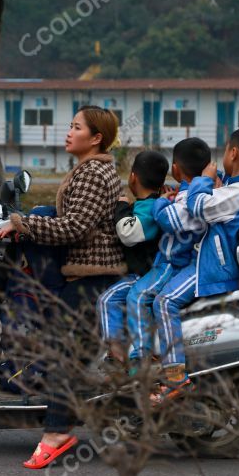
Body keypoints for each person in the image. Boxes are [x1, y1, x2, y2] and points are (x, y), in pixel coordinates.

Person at [0, 105, 125, 469]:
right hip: (82, 273)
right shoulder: (91, 169)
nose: (68, 132)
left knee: (61, 350)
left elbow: (75, 228)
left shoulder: (93, 174)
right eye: (70, 125)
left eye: (76, 127)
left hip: (92, 276)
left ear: (95, 137)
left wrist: (24, 224)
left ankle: (56, 433)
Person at [150, 127, 239, 404]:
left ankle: (175, 376)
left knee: (164, 302)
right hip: (209, 262)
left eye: (226, 149)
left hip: (213, 268)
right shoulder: (233, 185)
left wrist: (202, 180)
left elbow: (199, 206)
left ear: (233, 153)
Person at [123, 138, 209, 383]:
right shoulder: (200, 191)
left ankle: (145, 362)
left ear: (176, 169)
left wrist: (161, 201)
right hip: (176, 261)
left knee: (140, 297)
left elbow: (166, 219)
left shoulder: (187, 197)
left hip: (173, 262)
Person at [96, 150, 169, 367]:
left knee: (108, 299)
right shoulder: (149, 204)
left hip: (145, 273)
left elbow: (129, 234)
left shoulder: (149, 207)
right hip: (142, 271)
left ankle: (121, 352)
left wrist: (121, 208)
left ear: (133, 177)